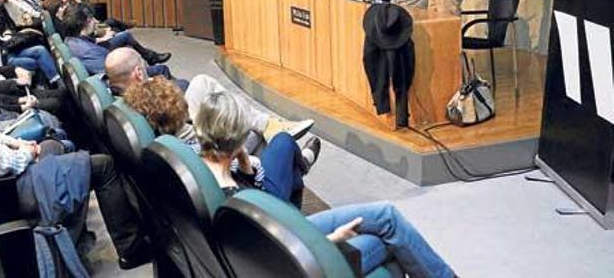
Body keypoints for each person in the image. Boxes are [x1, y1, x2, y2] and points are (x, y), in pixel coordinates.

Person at [0, 53, 151, 269]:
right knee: (102, 165)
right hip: (2, 191)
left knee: (53, 146)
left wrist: (18, 144)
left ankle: (73, 237)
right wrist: (28, 153)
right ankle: (130, 250)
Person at [194, 91, 455, 278]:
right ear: (239, 136)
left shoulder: (202, 169)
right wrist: (333, 239)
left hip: (280, 235)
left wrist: (243, 161)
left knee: (386, 217)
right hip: (290, 256)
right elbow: (275, 258)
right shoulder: (236, 201)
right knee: (387, 243)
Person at [109, 47, 312, 141]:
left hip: (179, 135)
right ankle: (277, 137)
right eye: (143, 67)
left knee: (202, 82)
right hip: (195, 142)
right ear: (137, 73)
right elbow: (175, 117)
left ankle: (271, 127)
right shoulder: (146, 96)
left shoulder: (119, 100)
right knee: (248, 129)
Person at [62, 3, 170, 75]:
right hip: (121, 79)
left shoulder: (70, 40)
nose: (95, 21)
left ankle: (150, 57)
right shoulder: (91, 51)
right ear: (86, 22)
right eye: (91, 19)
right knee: (162, 69)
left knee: (123, 35)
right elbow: (113, 77)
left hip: (98, 51)